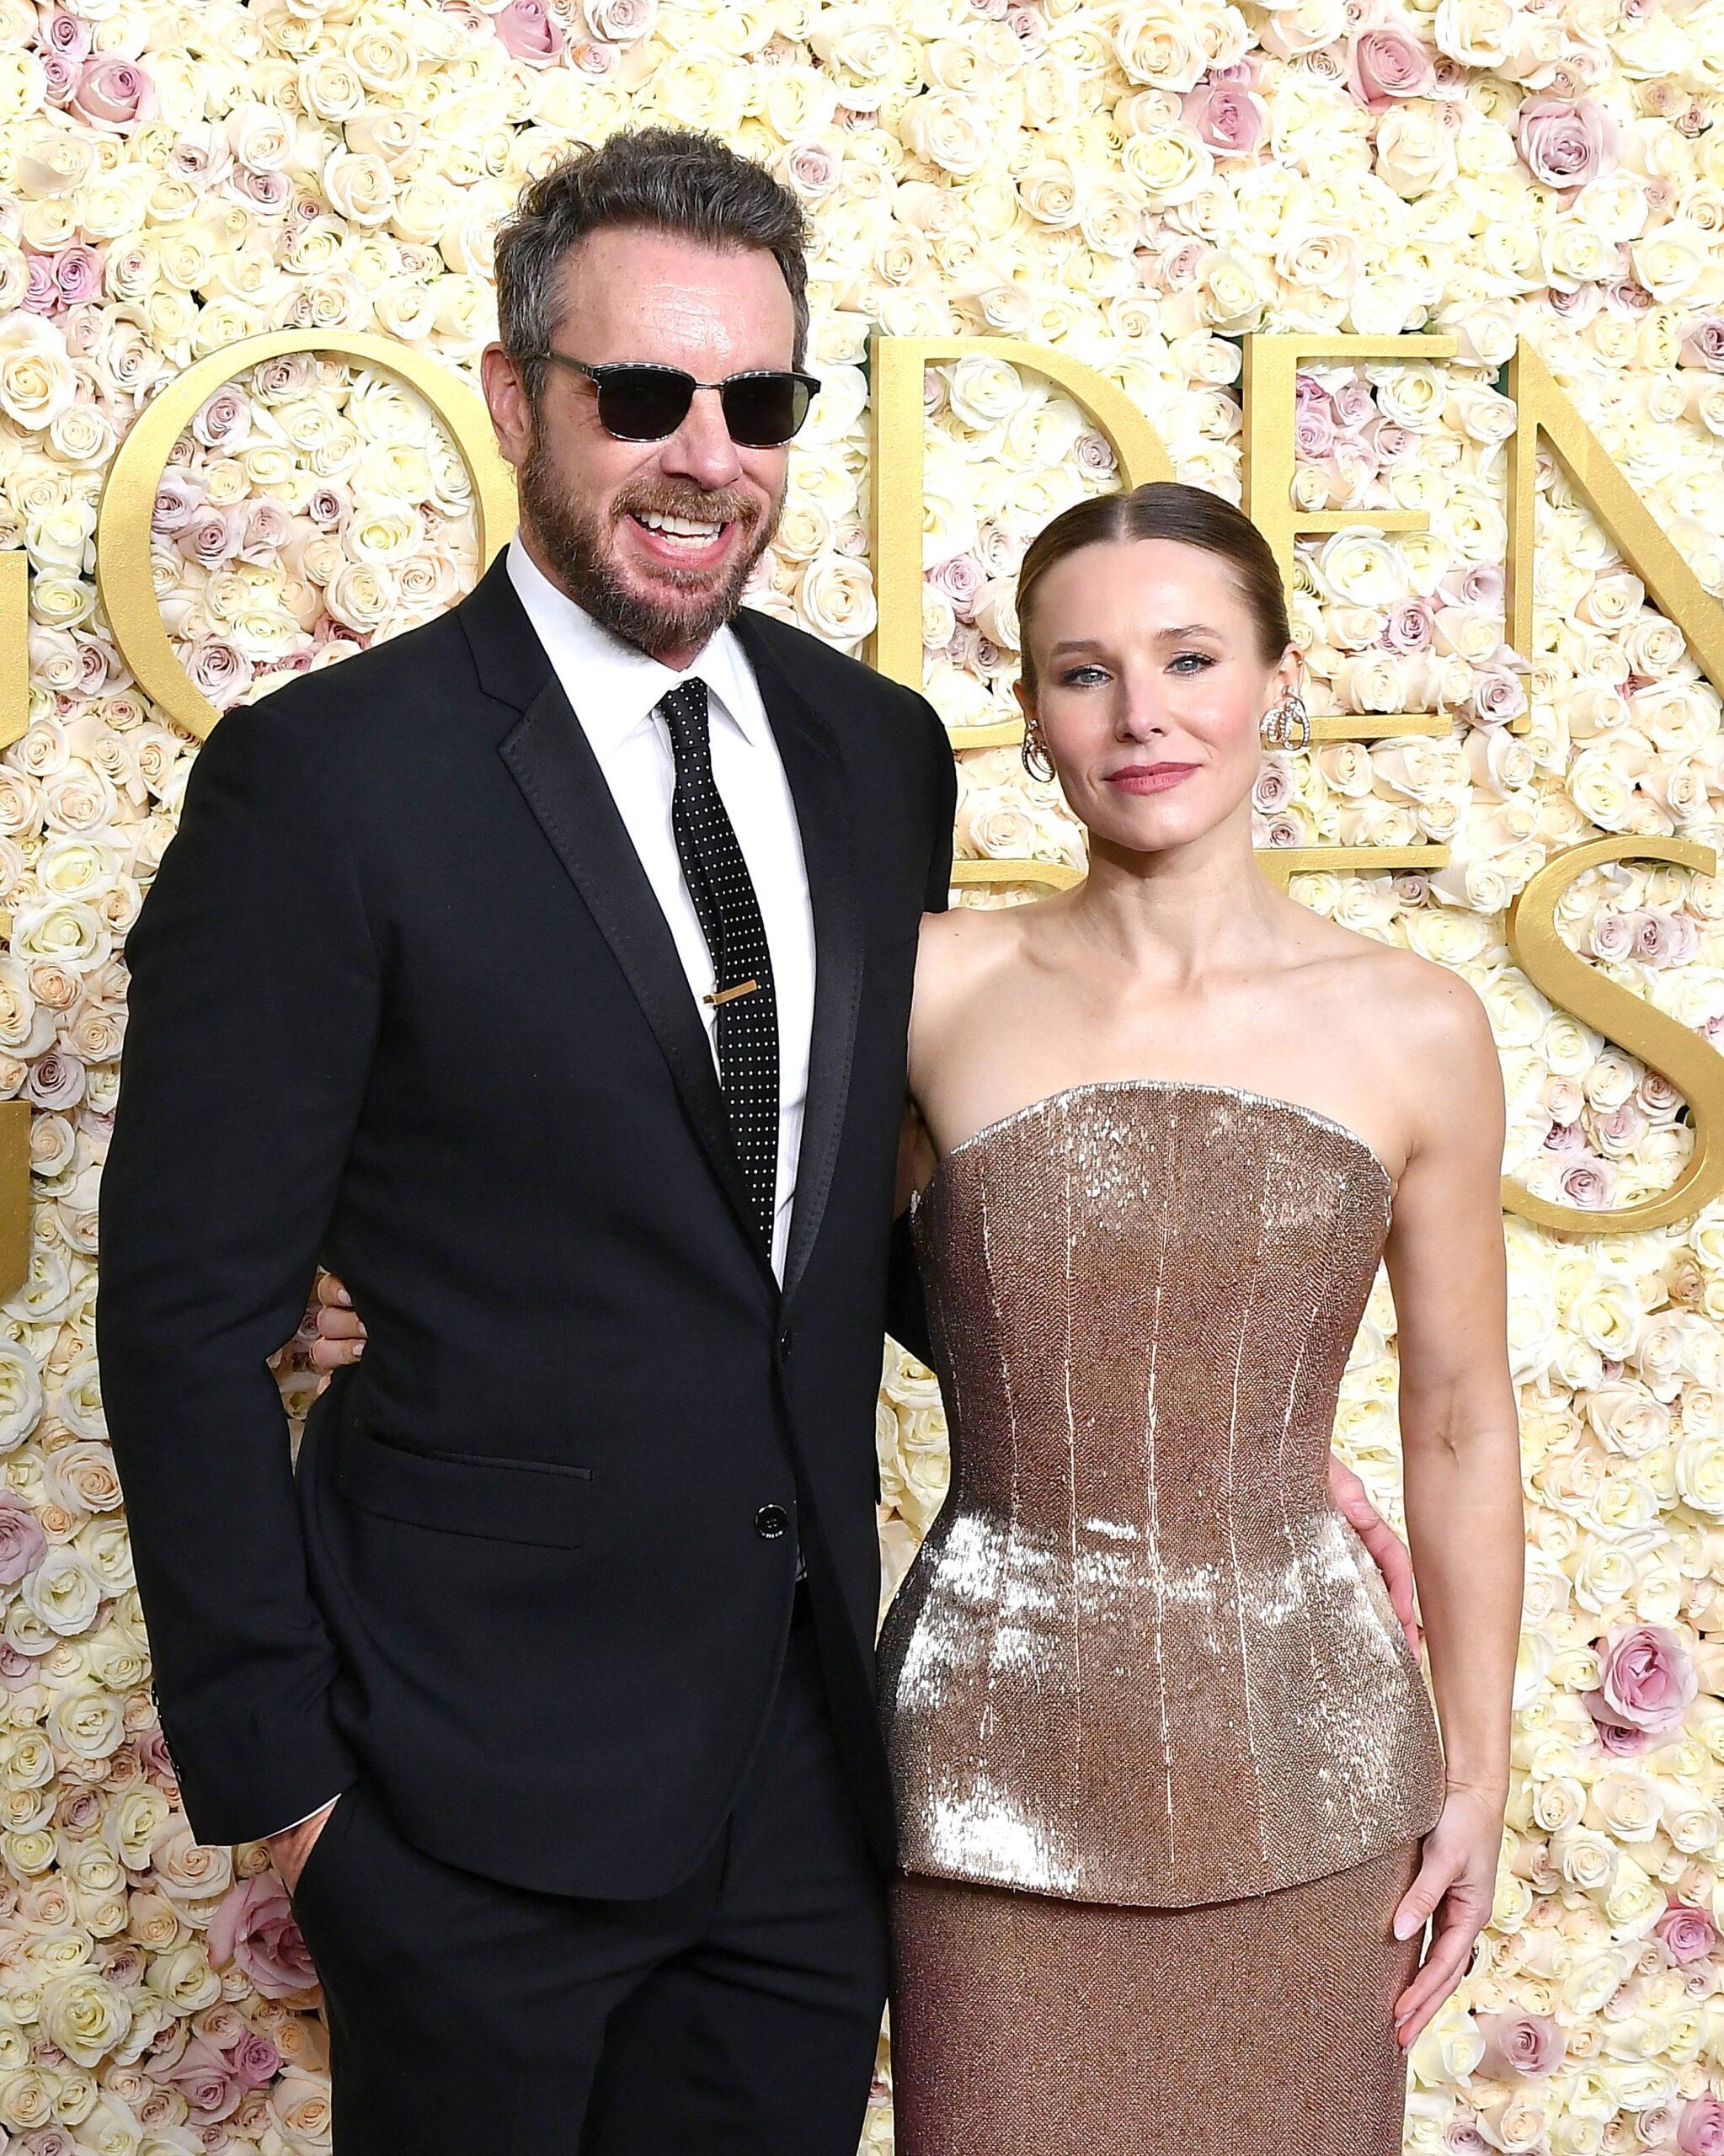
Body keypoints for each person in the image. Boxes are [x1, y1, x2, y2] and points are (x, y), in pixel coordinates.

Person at [97, 130, 957, 2154]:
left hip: (802, 1795)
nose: (704, 456)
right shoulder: (326, 782)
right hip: (455, 1795)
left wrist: (1216, 1444)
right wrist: (295, 1794)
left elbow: (833, 1226)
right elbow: (185, 1310)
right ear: (511, 395)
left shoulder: (877, 755)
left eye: (757, 403)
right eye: (640, 393)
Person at [876, 481, 1522, 2155]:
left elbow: (1460, 1417)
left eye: (1188, 658)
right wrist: (383, 1284)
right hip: (987, 1778)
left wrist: (1475, 1772)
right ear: (1033, 714)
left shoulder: (1414, 1024)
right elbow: (693, 1248)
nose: (1141, 714)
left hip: (1318, 1776)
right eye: (1084, 672)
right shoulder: (922, 986)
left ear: (1277, 680)